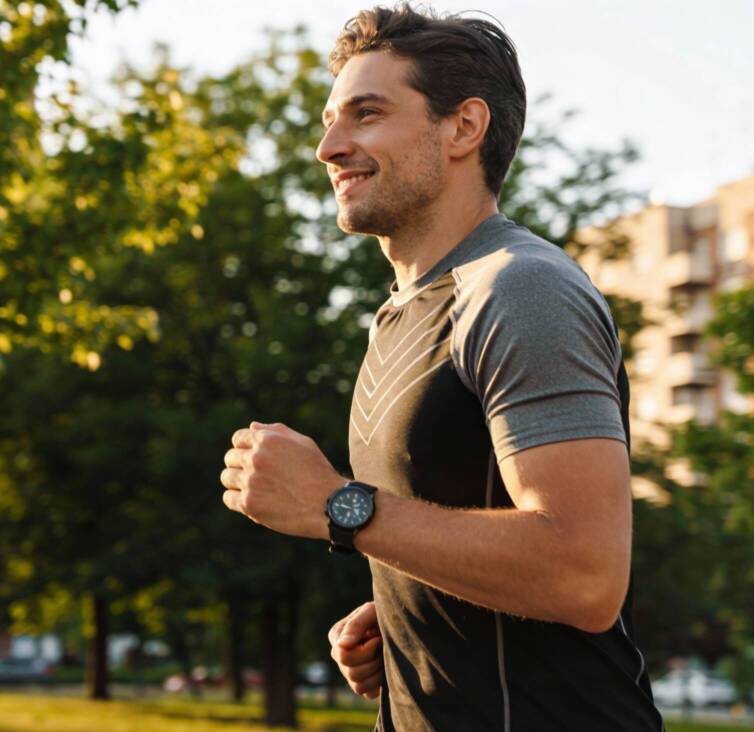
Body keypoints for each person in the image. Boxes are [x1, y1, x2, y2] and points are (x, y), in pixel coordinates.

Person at [218, 5, 663, 731]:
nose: (330, 146)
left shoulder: (520, 288)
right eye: (330, 119)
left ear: (463, 128)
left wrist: (338, 508)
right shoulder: (402, 313)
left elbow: (583, 572)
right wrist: (415, 611)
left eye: (366, 113)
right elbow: (471, 525)